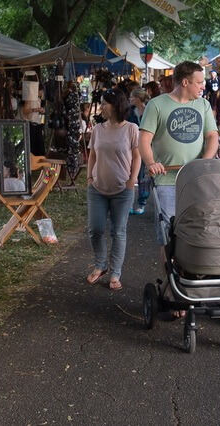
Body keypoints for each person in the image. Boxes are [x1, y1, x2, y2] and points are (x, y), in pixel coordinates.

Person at [139, 61, 218, 253]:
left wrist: (204, 163)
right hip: (166, 179)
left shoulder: (203, 105)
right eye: (199, 82)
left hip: (195, 180)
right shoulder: (156, 104)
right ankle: (170, 275)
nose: (203, 86)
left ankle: (193, 272)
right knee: (168, 234)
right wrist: (151, 162)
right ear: (185, 82)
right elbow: (143, 140)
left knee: (198, 229)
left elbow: (212, 136)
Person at [85, 89, 140, 291]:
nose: (101, 107)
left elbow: (137, 156)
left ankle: (115, 272)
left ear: (116, 105)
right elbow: (92, 155)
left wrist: (132, 180)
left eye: (104, 103)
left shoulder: (132, 129)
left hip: (122, 189)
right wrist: (89, 177)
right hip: (97, 188)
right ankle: (100, 265)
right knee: (96, 229)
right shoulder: (98, 129)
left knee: (118, 231)